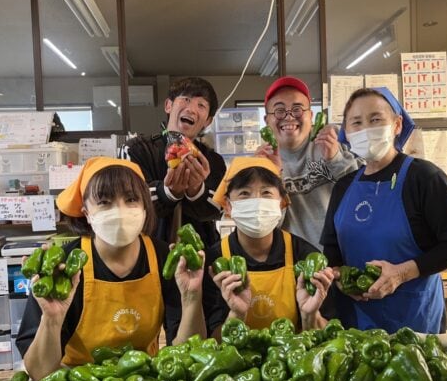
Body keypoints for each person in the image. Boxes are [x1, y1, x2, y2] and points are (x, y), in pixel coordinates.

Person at [16, 157, 206, 380]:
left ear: (145, 206)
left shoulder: (165, 258)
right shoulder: (63, 267)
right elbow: (40, 373)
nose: (120, 211)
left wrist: (192, 297)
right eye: (105, 202)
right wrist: (52, 319)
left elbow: (188, 353)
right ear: (86, 212)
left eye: (131, 199)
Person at [320, 87, 447, 334]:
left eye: (376, 119)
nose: (366, 129)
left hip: (412, 319)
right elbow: (331, 249)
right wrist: (340, 278)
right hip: (355, 321)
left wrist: (400, 274)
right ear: (345, 133)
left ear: (397, 124)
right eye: (356, 123)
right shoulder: (344, 186)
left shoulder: (424, 177)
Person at [203, 157, 334, 335]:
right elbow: (210, 343)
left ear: (281, 203)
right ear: (228, 206)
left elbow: (326, 336)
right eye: (244, 193)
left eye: (266, 193)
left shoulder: (305, 256)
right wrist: (237, 314)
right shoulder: (214, 262)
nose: (257, 201)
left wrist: (310, 315)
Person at [119, 77, 226, 247]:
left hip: (201, 255)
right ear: (168, 105)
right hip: (148, 254)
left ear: (208, 121)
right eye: (186, 99)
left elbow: (219, 209)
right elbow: (126, 203)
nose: (191, 109)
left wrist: (197, 190)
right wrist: (168, 192)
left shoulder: (213, 160)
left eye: (201, 105)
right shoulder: (135, 150)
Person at [256, 76, 359, 248]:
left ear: (311, 116)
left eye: (297, 109)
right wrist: (272, 178)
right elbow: (267, 228)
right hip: (294, 263)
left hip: (341, 258)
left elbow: (361, 197)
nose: (289, 117)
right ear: (267, 120)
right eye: (279, 110)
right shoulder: (262, 162)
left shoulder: (334, 142)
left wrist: (336, 160)